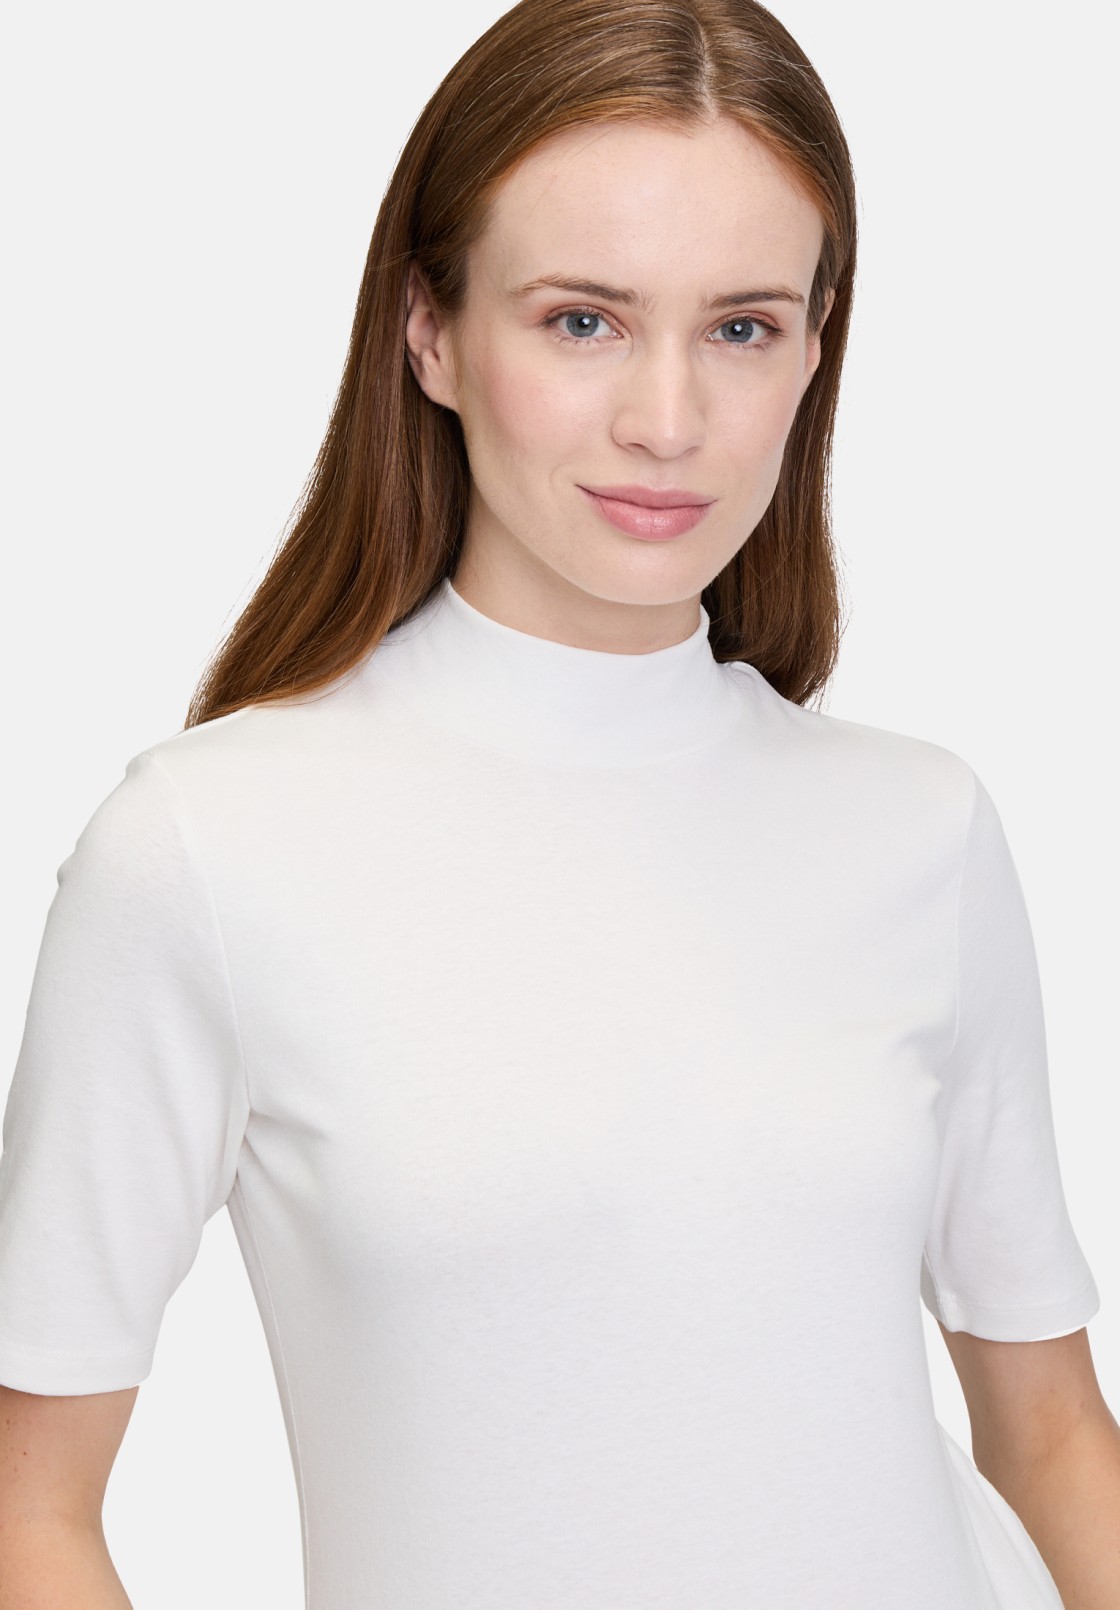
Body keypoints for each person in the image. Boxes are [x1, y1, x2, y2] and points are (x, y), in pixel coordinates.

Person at [0, 0, 1116, 1605]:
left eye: (743, 328)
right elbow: (30, 1507)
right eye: (583, 320)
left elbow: (1054, 1433)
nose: (668, 419)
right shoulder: (206, 848)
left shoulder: (919, 830)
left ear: (817, 345)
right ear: (431, 331)